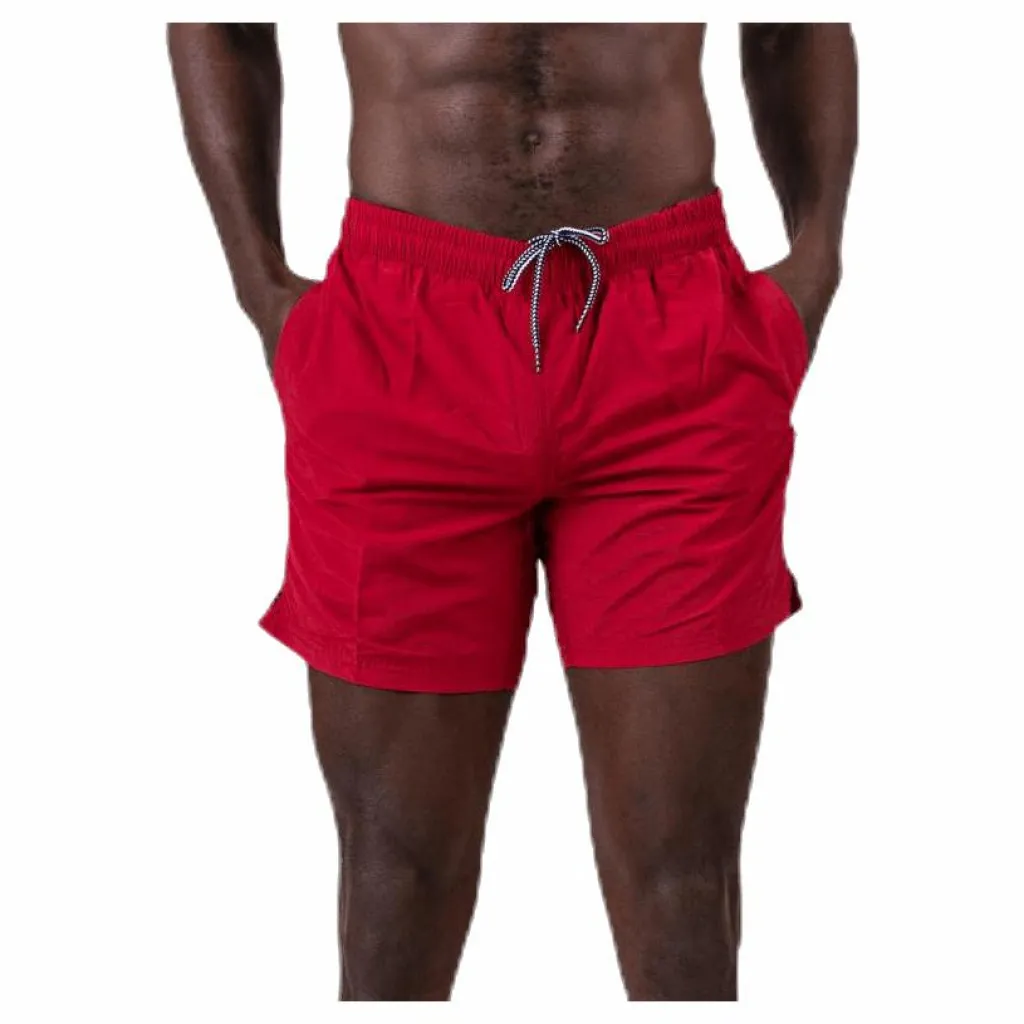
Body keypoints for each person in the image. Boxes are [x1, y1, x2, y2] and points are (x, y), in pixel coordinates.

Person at [168, 23, 857, 1001]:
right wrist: (261, 285)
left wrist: (817, 254)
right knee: (395, 881)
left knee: (681, 884)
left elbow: (791, 27)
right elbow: (222, 23)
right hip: (401, 339)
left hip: (670, 339)